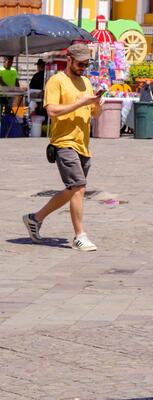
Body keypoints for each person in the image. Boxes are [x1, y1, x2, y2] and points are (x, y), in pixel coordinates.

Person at [22, 41, 104, 251]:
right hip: (63, 142)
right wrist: (81, 102)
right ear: (69, 60)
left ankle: (35, 218)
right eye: (80, 64)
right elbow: (51, 111)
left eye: (86, 64)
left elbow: (95, 115)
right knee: (78, 187)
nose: (83, 68)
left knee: (72, 190)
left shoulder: (86, 82)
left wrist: (96, 104)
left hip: (83, 143)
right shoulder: (56, 81)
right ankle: (80, 236)